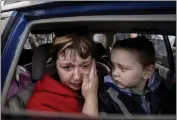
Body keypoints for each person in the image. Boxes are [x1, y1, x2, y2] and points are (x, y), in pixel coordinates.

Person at [27, 33, 99, 117]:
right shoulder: (40, 105)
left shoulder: (102, 86)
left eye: (84, 66)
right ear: (55, 65)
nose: (77, 77)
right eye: (67, 67)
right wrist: (91, 98)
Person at [98, 37, 171, 116]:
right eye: (113, 66)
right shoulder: (106, 96)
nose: (115, 73)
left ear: (147, 72)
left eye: (123, 68)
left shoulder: (161, 89)